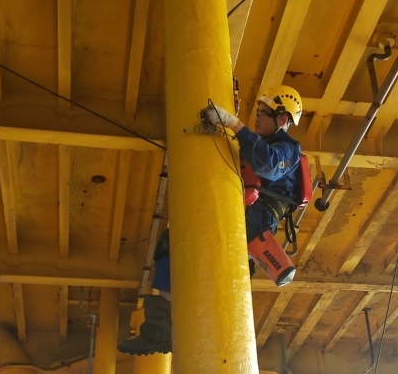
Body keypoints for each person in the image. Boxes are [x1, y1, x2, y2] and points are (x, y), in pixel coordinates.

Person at [118, 86, 303, 356]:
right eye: (259, 112)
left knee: (215, 268)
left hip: (256, 218)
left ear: (283, 120)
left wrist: (232, 122)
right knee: (171, 241)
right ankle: (160, 329)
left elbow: (268, 165)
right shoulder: (251, 144)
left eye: (265, 113)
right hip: (238, 209)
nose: (258, 117)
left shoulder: (288, 150)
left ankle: (204, 327)